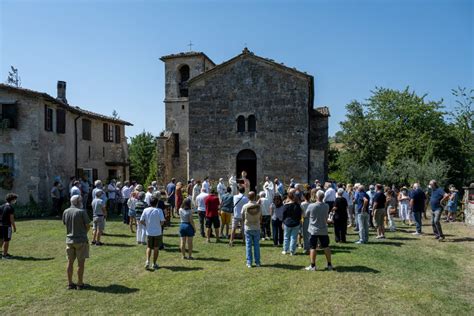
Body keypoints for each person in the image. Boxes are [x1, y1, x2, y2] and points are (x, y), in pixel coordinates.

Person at [62, 195, 90, 290]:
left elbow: (65, 223)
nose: (82, 202)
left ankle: (70, 283)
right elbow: (88, 226)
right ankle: (79, 283)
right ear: (78, 202)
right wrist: (83, 233)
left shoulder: (66, 211)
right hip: (81, 240)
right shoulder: (82, 212)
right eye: (81, 200)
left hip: (69, 240)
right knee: (80, 263)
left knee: (70, 262)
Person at [305, 190, 333, 271]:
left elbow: (307, 214)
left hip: (313, 230)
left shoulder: (311, 206)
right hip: (323, 229)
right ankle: (329, 265)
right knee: (326, 246)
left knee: (312, 247)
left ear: (317, 196)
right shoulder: (326, 206)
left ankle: (313, 266)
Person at [140, 196, 165, 270]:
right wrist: (158, 226)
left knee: (149, 247)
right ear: (157, 203)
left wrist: (147, 225)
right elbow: (162, 221)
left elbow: (141, 220)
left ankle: (147, 261)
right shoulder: (159, 210)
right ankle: (154, 263)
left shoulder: (145, 210)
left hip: (149, 232)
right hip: (157, 232)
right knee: (156, 248)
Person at [242, 192, 262, 268]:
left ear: (248, 197)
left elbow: (243, 217)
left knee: (248, 245)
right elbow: (261, 217)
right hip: (256, 227)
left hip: (248, 227)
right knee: (257, 245)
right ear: (255, 197)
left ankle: (249, 262)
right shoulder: (258, 206)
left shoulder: (245, 206)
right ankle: (257, 262)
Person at [282, 189, 302, 255]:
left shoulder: (286, 205)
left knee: (286, 237)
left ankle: (285, 250)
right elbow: (299, 215)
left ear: (288, 197)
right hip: (295, 223)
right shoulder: (297, 205)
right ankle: (292, 251)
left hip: (287, 223)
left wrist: (283, 222)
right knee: (293, 238)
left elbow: (283, 215)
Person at [1, 193, 18, 259]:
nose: (15, 201)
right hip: (7, 226)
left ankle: (3, 253)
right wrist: (14, 227)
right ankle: (5, 255)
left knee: (1, 239)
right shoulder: (10, 208)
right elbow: (12, 219)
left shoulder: (1, 206)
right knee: (6, 240)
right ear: (12, 199)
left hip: (1, 225)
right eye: (15, 199)